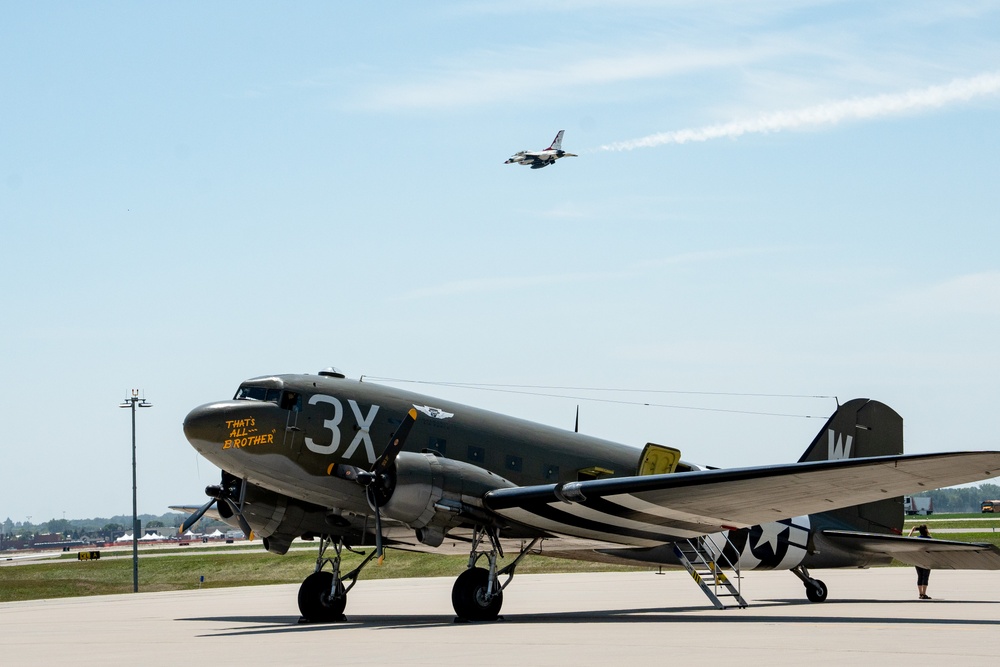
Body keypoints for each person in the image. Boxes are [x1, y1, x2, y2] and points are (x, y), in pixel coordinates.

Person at [908, 524, 932, 599]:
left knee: (920, 576)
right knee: (925, 576)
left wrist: (911, 531)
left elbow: (907, 540)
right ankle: (924, 593)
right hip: (926, 560)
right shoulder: (929, 539)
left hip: (917, 559)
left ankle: (920, 593)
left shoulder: (916, 539)